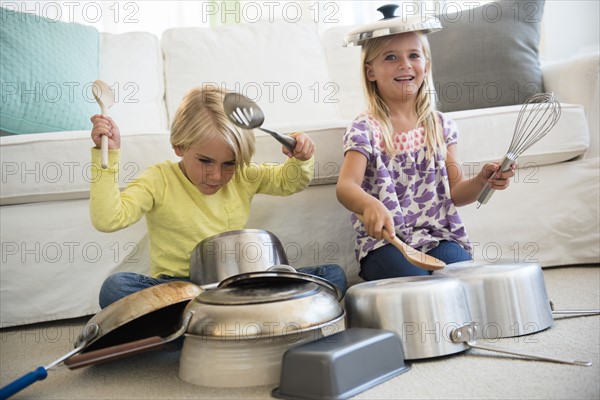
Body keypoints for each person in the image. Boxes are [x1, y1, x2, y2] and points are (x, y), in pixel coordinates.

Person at [90, 86, 347, 308]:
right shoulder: (159, 180)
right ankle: (238, 317)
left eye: (229, 164)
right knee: (115, 288)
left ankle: (205, 321)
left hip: (240, 282)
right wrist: (109, 156)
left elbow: (289, 183)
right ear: (179, 146)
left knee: (332, 275)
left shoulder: (243, 175)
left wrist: (300, 157)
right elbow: (109, 219)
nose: (216, 175)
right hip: (180, 289)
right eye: (205, 161)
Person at [336, 28, 516, 281]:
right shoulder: (365, 128)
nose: (405, 65)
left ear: (426, 66)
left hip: (438, 238)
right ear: (370, 72)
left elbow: (456, 192)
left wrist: (482, 181)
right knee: (416, 283)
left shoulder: (441, 127)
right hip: (387, 244)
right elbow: (346, 186)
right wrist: (370, 204)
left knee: (461, 279)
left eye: (413, 55)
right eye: (390, 57)